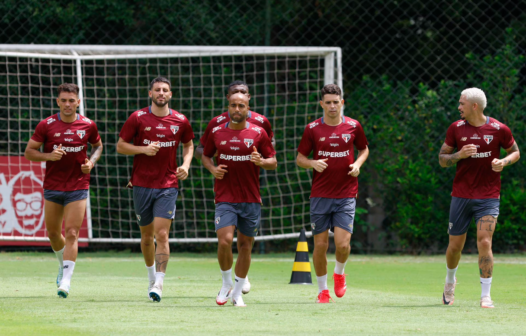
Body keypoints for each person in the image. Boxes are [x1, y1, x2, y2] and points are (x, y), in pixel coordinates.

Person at [438, 88, 520, 308]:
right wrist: (459, 155)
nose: (459, 107)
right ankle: (449, 281)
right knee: (455, 246)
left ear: (474, 106)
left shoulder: (498, 129)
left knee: (485, 241)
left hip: (488, 196)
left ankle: (485, 295)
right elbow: (442, 159)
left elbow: (516, 152)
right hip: (461, 196)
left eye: (462, 103)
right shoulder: (456, 128)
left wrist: (503, 162)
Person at [117, 76, 194, 302]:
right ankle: (151, 277)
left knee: (162, 234)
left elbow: (189, 145)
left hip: (168, 184)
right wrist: (143, 149)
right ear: (150, 93)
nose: (162, 93)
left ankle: (159, 284)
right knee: (146, 236)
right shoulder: (138, 118)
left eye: (165, 90)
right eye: (157, 90)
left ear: (170, 94)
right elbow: (121, 146)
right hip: (141, 184)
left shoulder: (180, 120)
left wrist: (186, 165)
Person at [195, 80, 275, 294]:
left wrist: (260, 160)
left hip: (249, 189)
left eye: (243, 95)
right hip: (225, 192)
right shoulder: (217, 125)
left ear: (248, 100)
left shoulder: (260, 124)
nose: (238, 103)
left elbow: (270, 152)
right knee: (225, 240)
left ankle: (241, 278)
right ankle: (228, 282)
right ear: (228, 101)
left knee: (245, 244)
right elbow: (202, 151)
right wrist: (212, 168)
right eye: (234, 98)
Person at [24, 83, 103, 298]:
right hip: (53, 186)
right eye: (64, 100)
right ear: (58, 102)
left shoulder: (88, 125)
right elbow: (29, 152)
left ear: (78, 102)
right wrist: (48, 156)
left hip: (78, 185)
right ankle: (62, 265)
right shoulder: (46, 125)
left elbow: (98, 147)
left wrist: (92, 163)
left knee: (72, 233)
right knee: (52, 233)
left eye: (72, 100)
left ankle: (66, 282)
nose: (68, 104)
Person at [296, 84, 369, 303]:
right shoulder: (312, 129)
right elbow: (300, 158)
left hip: (346, 193)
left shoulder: (353, 126)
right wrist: (312, 163)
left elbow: (364, 149)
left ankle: (339, 273)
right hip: (320, 194)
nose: (332, 106)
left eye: (335, 102)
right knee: (320, 245)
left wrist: (357, 164)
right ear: (321, 104)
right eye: (327, 102)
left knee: (343, 244)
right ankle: (322, 290)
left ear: (342, 103)